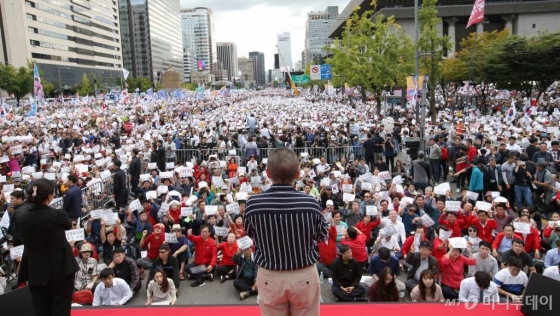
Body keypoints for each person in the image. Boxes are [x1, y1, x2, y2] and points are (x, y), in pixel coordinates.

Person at [243, 148, 328, 315]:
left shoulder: (253, 204)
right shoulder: (310, 203)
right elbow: (321, 235)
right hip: (304, 274)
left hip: (270, 275)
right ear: (297, 174)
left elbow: (251, 234)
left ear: (267, 173)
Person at [15, 178, 79, 316]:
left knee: (40, 307)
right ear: (50, 195)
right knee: (61, 307)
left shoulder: (20, 216)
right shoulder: (58, 214)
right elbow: (68, 225)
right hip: (61, 266)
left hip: (35, 268)